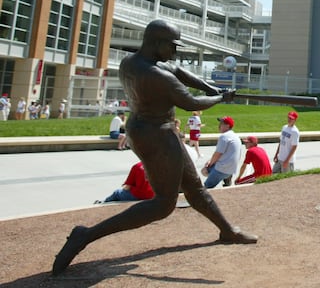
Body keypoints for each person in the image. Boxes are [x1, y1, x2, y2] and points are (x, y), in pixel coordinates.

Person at [52, 19, 256, 277]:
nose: (175, 51)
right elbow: (190, 101)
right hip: (156, 135)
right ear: (156, 43)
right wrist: (220, 97)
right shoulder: (155, 75)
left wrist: (211, 87)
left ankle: (227, 230)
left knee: (193, 187)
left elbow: (177, 70)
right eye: (172, 45)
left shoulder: (132, 62)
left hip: (145, 129)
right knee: (163, 204)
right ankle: (85, 235)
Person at [202, 116, 242, 188]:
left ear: (227, 126)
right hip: (232, 169)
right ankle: (227, 180)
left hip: (222, 169)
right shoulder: (236, 136)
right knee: (213, 165)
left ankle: (220, 177)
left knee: (205, 185)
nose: (219, 125)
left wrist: (209, 164)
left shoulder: (224, 136)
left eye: (222, 123)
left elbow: (217, 154)